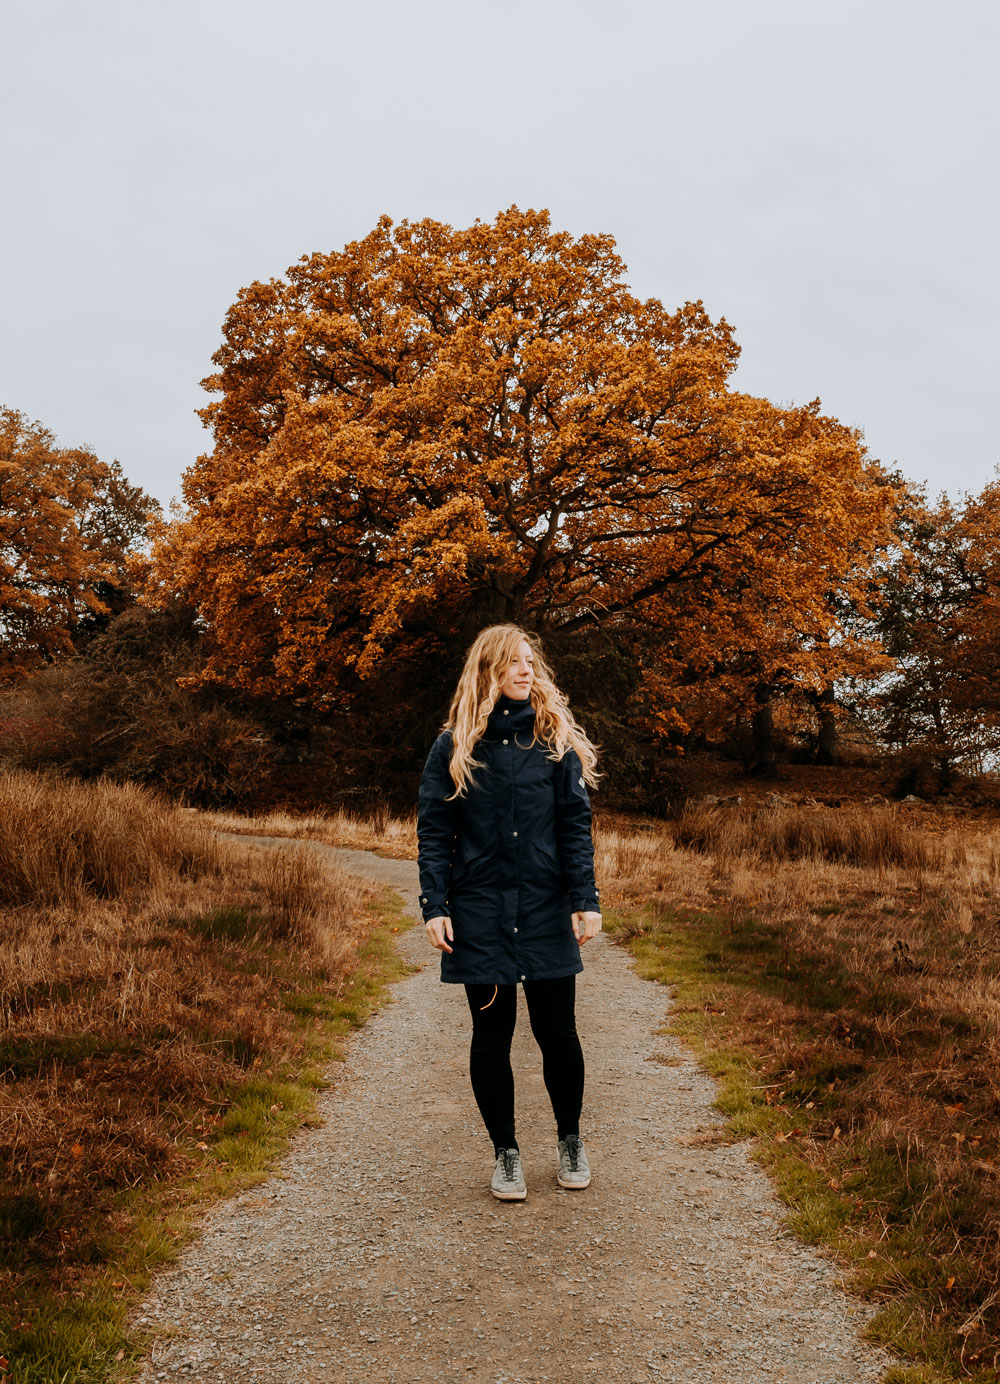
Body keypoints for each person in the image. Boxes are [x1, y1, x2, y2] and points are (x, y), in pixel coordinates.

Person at [416, 623, 603, 1201]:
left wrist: (585, 898)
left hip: (547, 908)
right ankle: (507, 1154)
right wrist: (435, 904)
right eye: (513, 663)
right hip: (481, 912)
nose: (526, 670)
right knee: (491, 1037)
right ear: (487, 672)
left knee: (557, 1033)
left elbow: (575, 826)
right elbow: (434, 831)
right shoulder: (454, 746)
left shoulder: (555, 741)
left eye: (529, 661)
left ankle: (570, 1140)